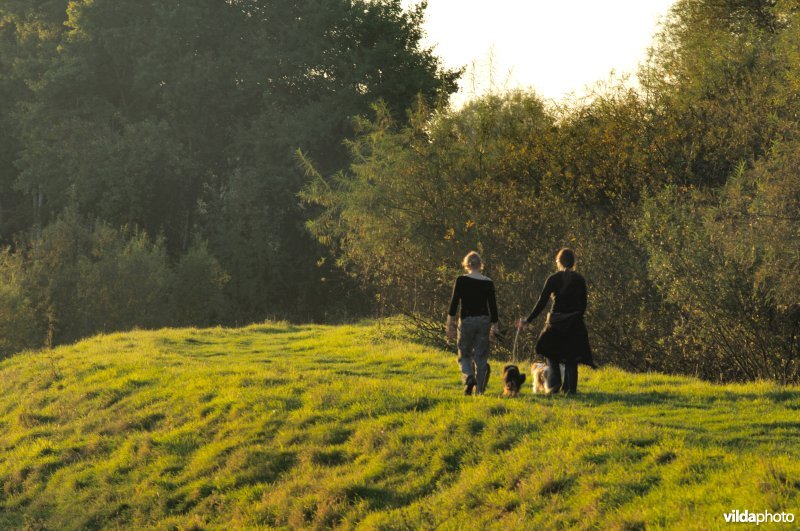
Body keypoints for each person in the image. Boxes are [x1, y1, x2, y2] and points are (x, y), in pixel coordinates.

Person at [517, 248, 594, 394]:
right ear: (573, 262)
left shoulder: (553, 278)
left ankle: (555, 383)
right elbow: (584, 304)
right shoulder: (579, 279)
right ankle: (571, 390)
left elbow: (542, 302)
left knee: (550, 353)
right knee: (572, 358)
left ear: (558, 261)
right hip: (574, 323)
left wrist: (528, 319)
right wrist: (576, 317)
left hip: (556, 323)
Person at [447, 251, 499, 395]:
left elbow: (453, 304)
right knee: (481, 357)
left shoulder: (461, 280)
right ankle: (479, 392)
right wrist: (495, 326)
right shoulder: (488, 282)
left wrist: (449, 325)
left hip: (467, 321)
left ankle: (469, 376)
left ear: (466, 264)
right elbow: (493, 307)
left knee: (464, 354)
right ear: (480, 265)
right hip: (483, 321)